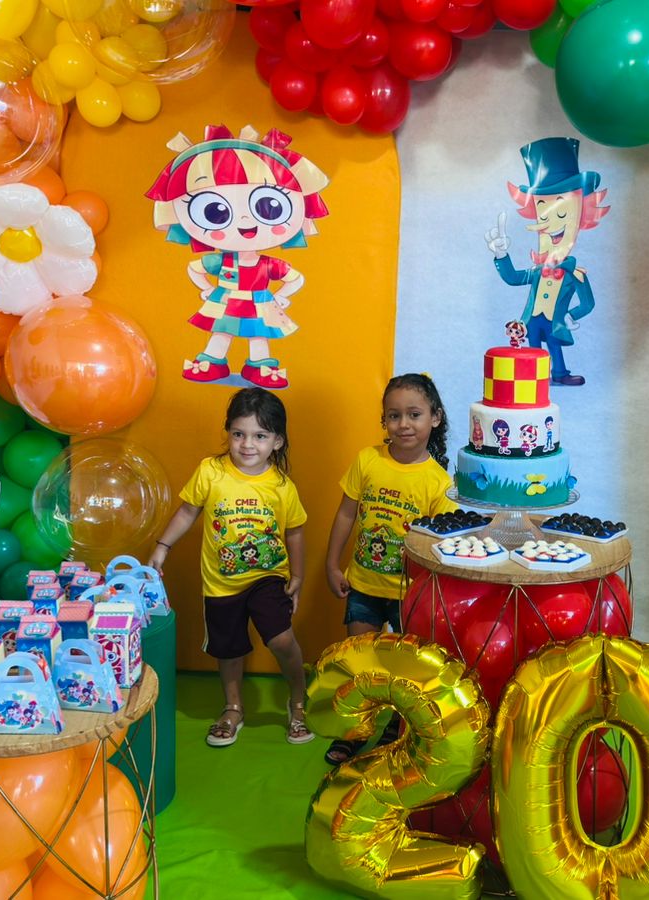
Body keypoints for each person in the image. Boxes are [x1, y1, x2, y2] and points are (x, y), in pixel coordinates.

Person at [149, 388, 313, 747]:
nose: (247, 444)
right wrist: (162, 547)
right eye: (239, 434)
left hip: (268, 577)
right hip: (220, 584)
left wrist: (298, 575)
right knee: (228, 649)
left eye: (260, 436)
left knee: (281, 638)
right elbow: (188, 511)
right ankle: (233, 707)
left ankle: (298, 701)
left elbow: (295, 532)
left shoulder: (281, 486)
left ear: (277, 441)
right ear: (228, 433)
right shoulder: (211, 471)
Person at [323, 374, 454, 765]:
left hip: (407, 595)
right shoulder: (368, 460)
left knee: (403, 670)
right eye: (394, 415)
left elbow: (436, 547)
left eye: (414, 414)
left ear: (435, 418)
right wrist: (331, 563)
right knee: (360, 664)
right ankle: (355, 730)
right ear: (384, 420)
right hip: (362, 585)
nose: (404, 424)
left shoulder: (439, 482)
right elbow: (346, 514)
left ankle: (397, 731)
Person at [145, 124, 331, 389]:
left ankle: (259, 366)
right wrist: (207, 288)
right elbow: (195, 268)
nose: (245, 223)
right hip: (228, 301)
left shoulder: (268, 264)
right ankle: (213, 362)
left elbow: (295, 278)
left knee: (258, 336)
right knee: (222, 332)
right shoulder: (224, 261)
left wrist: (281, 295)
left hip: (258, 303)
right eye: (214, 211)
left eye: (269, 207)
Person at [485, 137, 609, 386]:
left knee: (553, 344)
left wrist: (570, 316)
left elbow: (588, 303)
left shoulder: (575, 274)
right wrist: (501, 254)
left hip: (555, 321)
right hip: (532, 320)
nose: (550, 224)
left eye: (562, 212)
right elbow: (513, 278)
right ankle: (535, 376)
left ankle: (559, 373)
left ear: (581, 216)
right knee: (534, 349)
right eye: (543, 214)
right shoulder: (537, 270)